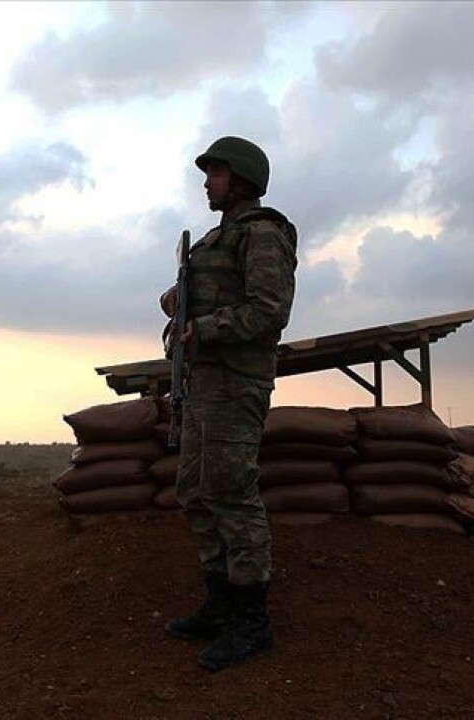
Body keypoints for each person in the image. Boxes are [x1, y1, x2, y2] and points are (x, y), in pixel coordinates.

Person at [159, 136, 297, 671]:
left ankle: (251, 620)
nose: (206, 182)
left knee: (233, 495)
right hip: (205, 385)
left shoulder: (263, 236)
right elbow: (207, 294)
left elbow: (268, 311)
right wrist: (178, 297)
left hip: (237, 385)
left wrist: (205, 328)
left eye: (215, 173)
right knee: (194, 490)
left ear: (240, 180)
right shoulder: (218, 238)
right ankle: (220, 603)